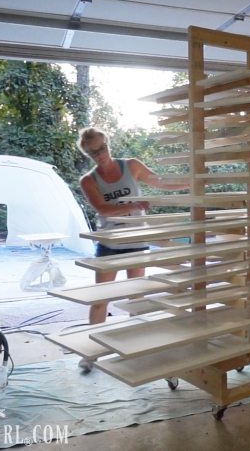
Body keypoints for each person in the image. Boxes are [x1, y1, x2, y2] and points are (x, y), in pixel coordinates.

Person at [76, 126, 188, 372]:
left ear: (108, 143)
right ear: (88, 154)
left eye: (102, 148)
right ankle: (90, 353)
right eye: (93, 152)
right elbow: (103, 209)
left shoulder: (132, 166)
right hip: (110, 245)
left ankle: (135, 347)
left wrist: (191, 182)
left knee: (136, 298)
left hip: (136, 242)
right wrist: (133, 204)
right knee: (100, 300)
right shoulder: (88, 180)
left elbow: (160, 182)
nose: (100, 154)